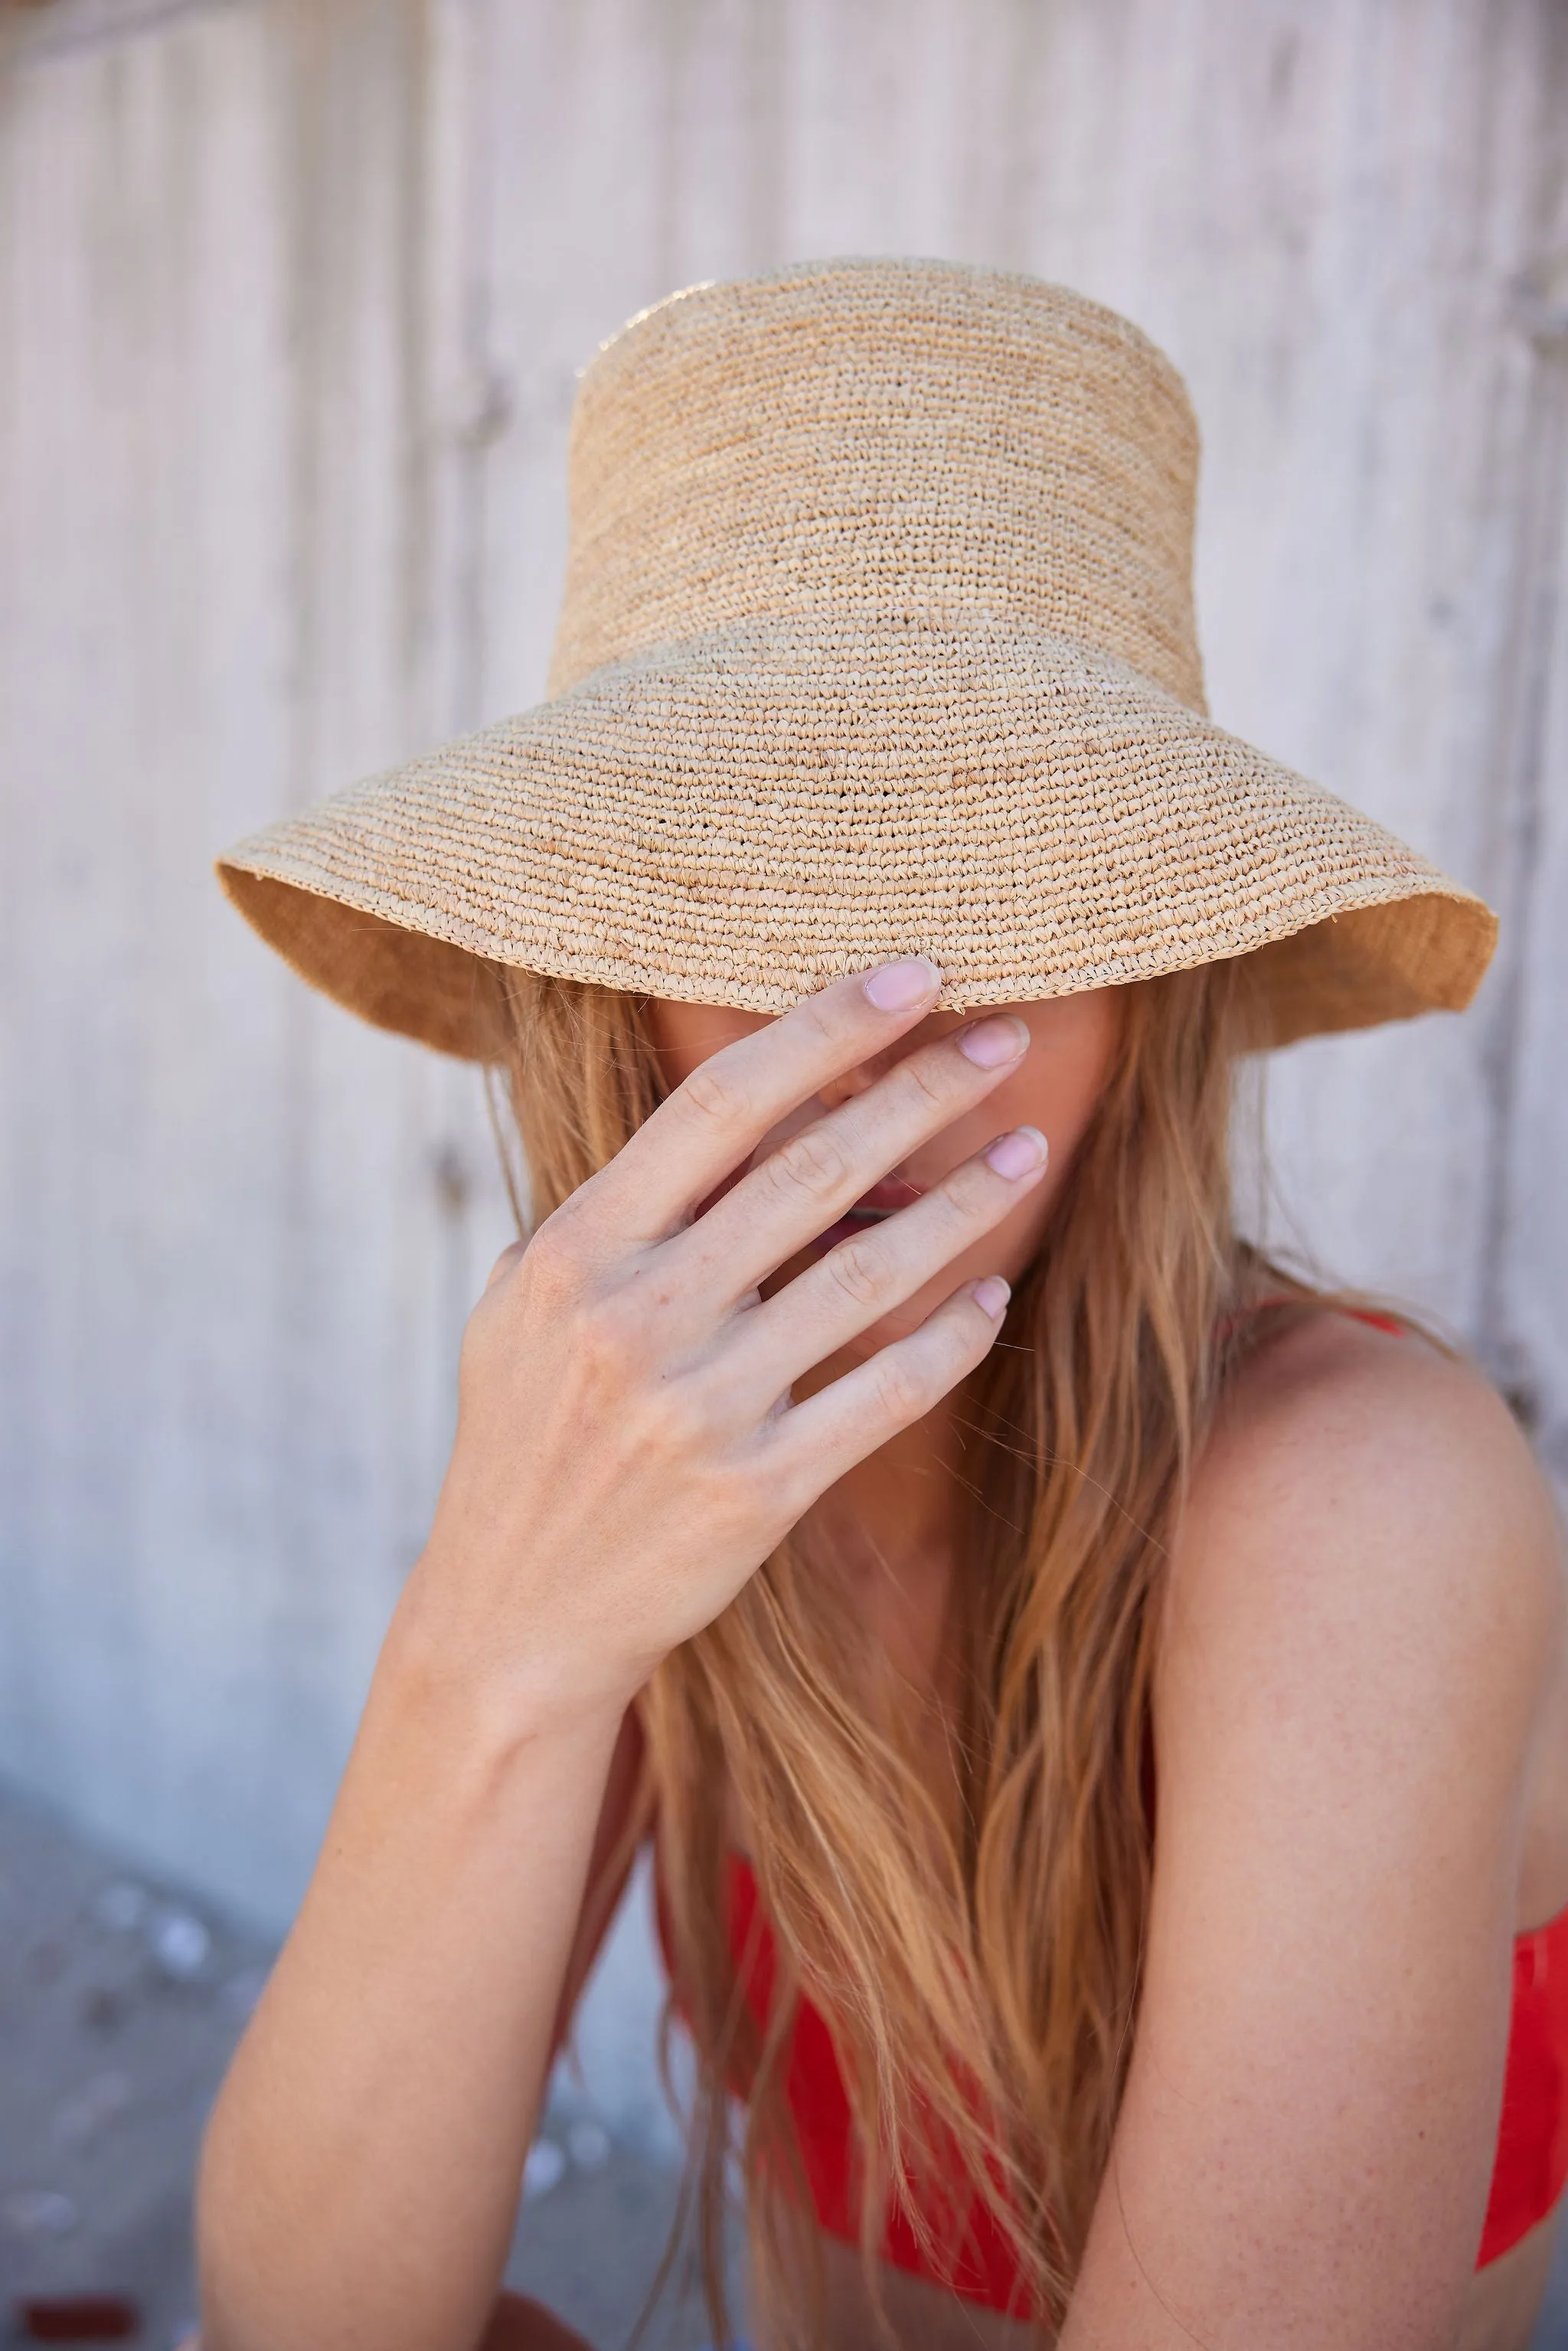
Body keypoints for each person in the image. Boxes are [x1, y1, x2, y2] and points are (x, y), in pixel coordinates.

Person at [196, 262, 1566, 2351]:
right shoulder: (664, 1476)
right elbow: (300, 2310)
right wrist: (499, 1628)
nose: (866, 1030)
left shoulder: (1354, 1505)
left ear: (1150, 984)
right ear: (605, 986)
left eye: (998, 904)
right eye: (741, 891)